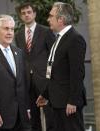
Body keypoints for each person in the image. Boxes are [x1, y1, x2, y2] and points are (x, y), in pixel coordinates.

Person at [36, 2, 87, 131]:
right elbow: (55, 72)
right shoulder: (58, 38)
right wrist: (45, 94)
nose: (48, 19)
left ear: (61, 20)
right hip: (56, 101)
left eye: (51, 16)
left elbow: (78, 73)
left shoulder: (75, 39)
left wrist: (73, 101)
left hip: (69, 104)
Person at [15, 2, 55, 131]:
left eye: (29, 12)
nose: (26, 15)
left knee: (51, 117)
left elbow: (53, 57)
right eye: (23, 13)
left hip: (45, 80)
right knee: (32, 119)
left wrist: (50, 77)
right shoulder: (18, 35)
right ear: (21, 17)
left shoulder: (46, 31)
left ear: (34, 14)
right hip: (27, 81)